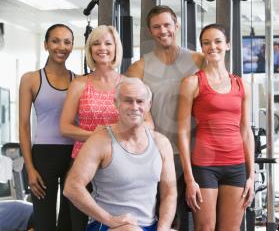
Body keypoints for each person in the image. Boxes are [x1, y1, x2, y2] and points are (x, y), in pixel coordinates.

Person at [63, 77, 177, 231]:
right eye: (128, 101)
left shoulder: (161, 143)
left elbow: (169, 192)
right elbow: (71, 187)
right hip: (106, 226)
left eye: (140, 101)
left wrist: (162, 228)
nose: (134, 107)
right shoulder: (99, 141)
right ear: (116, 103)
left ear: (148, 105)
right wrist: (110, 220)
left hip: (149, 226)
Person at [126, 5, 204, 229]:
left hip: (196, 152)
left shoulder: (199, 61)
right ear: (150, 31)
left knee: (197, 218)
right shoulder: (138, 68)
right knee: (166, 218)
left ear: (176, 25)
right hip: (157, 154)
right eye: (156, 27)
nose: (163, 31)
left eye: (167, 25)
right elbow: (133, 113)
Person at [178, 24, 255, 231]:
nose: (212, 46)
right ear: (202, 48)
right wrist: (189, 178)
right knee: (205, 228)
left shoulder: (242, 86)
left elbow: (246, 131)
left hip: (236, 165)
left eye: (218, 41)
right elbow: (183, 132)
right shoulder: (192, 83)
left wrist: (251, 175)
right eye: (206, 42)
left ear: (227, 45)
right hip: (205, 166)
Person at [60, 25, 124, 230]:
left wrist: (117, 136)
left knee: (116, 223)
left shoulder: (128, 83)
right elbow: (65, 127)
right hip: (83, 161)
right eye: (96, 43)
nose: (102, 48)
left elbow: (147, 122)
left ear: (116, 48)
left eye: (107, 43)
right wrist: (97, 136)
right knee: (80, 224)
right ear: (90, 49)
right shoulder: (79, 84)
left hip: (118, 163)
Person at [18, 23, 75, 231]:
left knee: (68, 223)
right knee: (45, 224)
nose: (61, 47)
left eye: (67, 42)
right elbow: (23, 126)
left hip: (73, 156)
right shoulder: (31, 79)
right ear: (46, 45)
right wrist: (30, 168)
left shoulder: (78, 81)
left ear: (72, 46)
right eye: (55, 41)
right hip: (43, 156)